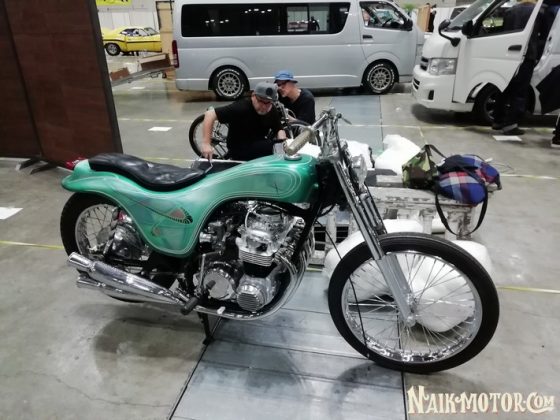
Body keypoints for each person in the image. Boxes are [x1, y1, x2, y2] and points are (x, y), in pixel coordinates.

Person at [493, 0, 544, 135]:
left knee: (504, 87)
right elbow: (542, 35)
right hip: (527, 55)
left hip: (508, 54)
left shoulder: (510, 11)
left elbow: (504, 31)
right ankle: (510, 125)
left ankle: (498, 120)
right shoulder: (537, 12)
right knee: (520, 92)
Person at [201, 82, 286, 161]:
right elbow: (210, 114)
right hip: (239, 148)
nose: (264, 106)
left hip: (258, 142)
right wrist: (206, 143)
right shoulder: (241, 107)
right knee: (271, 149)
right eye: (261, 101)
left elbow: (279, 128)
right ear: (253, 96)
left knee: (281, 148)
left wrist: (283, 142)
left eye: (268, 103)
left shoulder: (271, 110)